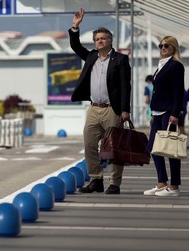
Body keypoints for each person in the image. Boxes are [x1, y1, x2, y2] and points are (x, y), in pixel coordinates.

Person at [68, 8, 131, 194]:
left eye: (103, 38)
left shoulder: (120, 59)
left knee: (114, 148)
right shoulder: (91, 57)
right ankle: (96, 179)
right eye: (97, 39)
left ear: (110, 41)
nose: (99, 41)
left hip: (113, 109)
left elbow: (125, 86)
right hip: (94, 109)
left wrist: (125, 110)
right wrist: (75, 27)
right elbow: (75, 46)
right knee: (89, 144)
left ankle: (114, 183)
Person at [144, 36, 185, 197]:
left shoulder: (175, 66)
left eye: (166, 45)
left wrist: (175, 113)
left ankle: (174, 186)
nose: (162, 48)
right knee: (153, 147)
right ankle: (162, 182)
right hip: (157, 111)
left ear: (173, 47)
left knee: (171, 149)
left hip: (169, 112)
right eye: (160, 45)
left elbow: (178, 91)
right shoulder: (162, 65)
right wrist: (153, 112)